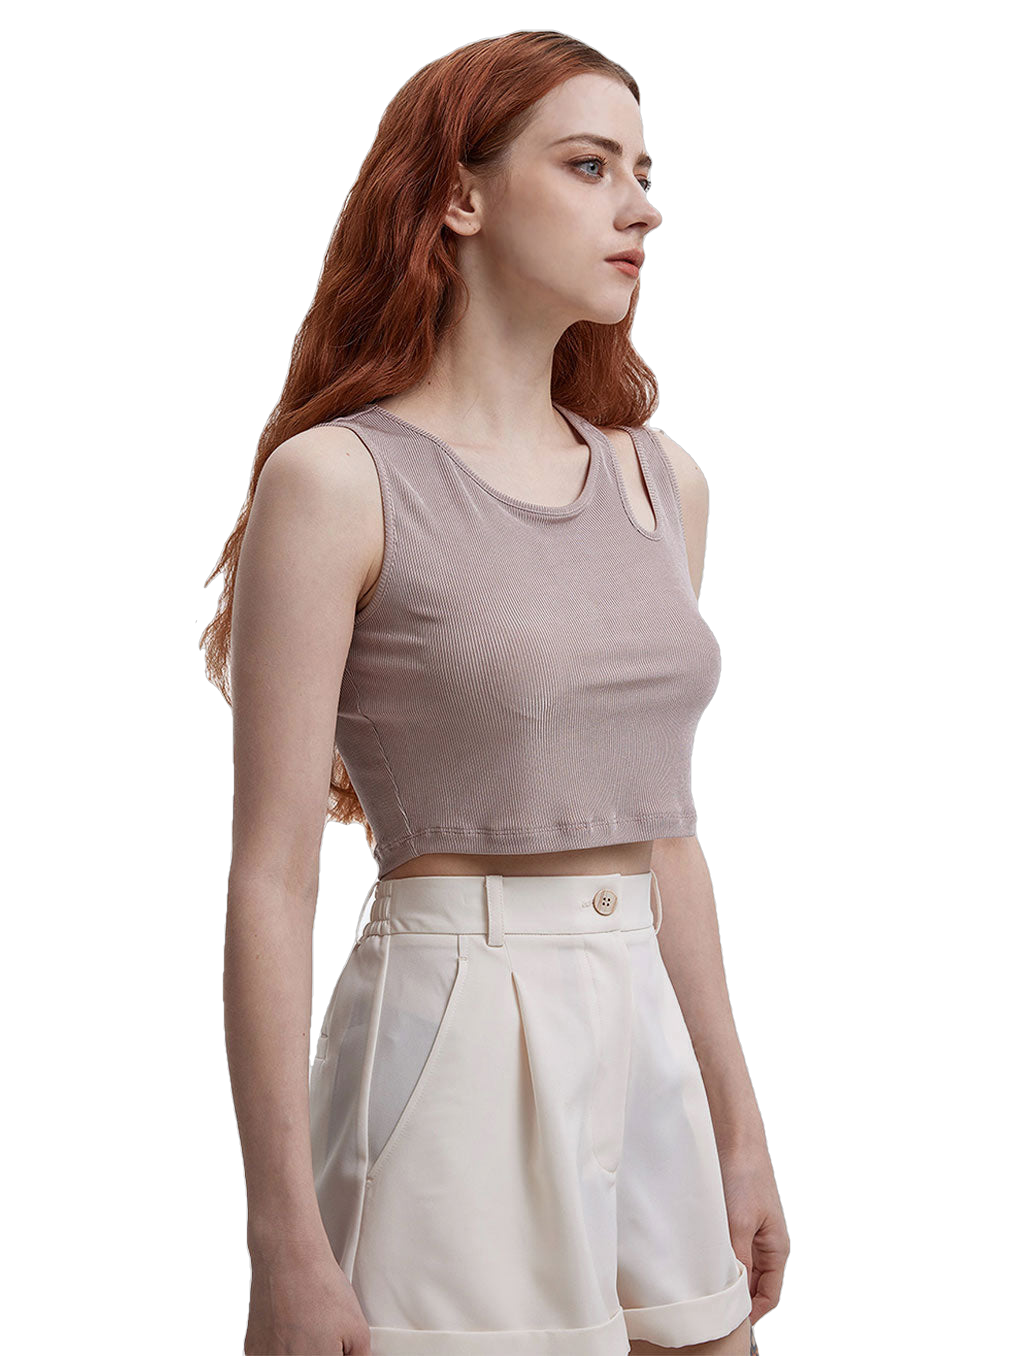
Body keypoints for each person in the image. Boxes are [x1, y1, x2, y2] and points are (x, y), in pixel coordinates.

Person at [205, 30, 789, 1356]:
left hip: (644, 1032)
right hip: (452, 1038)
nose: (640, 207)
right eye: (589, 166)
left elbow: (667, 835)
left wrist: (738, 1128)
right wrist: (284, 1239)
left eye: (642, 172)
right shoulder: (337, 482)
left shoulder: (664, 483)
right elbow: (272, 878)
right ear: (459, 196)